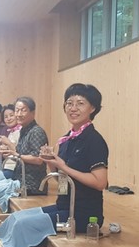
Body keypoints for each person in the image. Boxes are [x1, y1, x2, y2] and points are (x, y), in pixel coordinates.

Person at [42, 84, 109, 233]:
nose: (73, 108)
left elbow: (100, 183)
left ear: (93, 108)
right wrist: (51, 162)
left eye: (80, 103)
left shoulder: (94, 140)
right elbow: (63, 181)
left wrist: (64, 167)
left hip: (83, 215)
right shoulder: (66, 139)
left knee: (25, 225)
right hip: (64, 206)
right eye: (69, 103)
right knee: (17, 218)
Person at [0, 96, 48, 195]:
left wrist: (16, 155)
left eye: (23, 110)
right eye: (17, 110)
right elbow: (17, 152)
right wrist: (9, 153)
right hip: (19, 178)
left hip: (31, 185)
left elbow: (38, 159)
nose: (19, 114)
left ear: (33, 113)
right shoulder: (23, 131)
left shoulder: (36, 132)